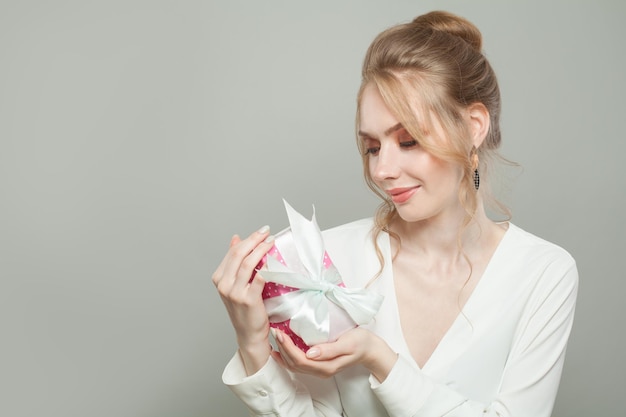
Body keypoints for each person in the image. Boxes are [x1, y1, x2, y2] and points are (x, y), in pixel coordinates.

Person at [211, 10, 578, 417]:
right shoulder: (325, 261)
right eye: (372, 147)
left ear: (474, 125)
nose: (382, 169)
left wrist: (380, 359)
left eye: (408, 141)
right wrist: (252, 342)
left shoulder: (543, 273)